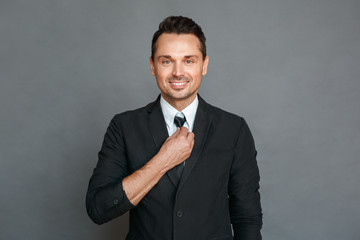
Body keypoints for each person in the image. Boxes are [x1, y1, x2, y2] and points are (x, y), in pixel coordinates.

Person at [86, 16, 262, 240]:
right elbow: (98, 208)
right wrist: (162, 161)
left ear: (204, 65)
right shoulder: (123, 127)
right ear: (152, 65)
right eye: (166, 61)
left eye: (189, 60)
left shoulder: (234, 129)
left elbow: (247, 218)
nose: (178, 72)